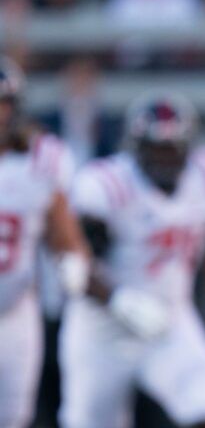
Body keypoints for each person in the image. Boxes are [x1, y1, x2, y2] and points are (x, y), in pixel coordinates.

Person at [59, 92, 205, 428]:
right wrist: (120, 302)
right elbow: (73, 261)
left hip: (171, 320)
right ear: (137, 147)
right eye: (157, 148)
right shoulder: (109, 186)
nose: (166, 158)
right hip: (101, 330)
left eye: (173, 148)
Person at [0, 57, 88, 428]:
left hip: (16, 311)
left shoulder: (42, 159)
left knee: (14, 419)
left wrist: (72, 262)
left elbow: (62, 228)